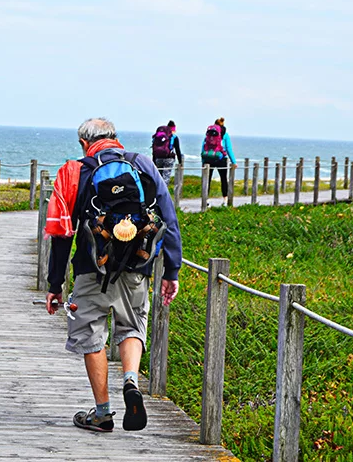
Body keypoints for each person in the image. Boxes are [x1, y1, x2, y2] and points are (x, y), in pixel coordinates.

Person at [43, 117, 182, 433]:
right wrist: (171, 270)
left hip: (92, 267)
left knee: (91, 334)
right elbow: (168, 219)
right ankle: (131, 381)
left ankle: (103, 412)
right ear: (116, 138)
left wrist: (55, 284)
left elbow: (62, 233)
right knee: (131, 326)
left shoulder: (73, 172)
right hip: (137, 264)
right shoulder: (143, 164)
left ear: (83, 143)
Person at [201, 117, 237, 198]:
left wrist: (203, 160)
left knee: (207, 180)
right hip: (221, 158)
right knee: (223, 179)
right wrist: (233, 162)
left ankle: (205, 200)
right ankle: (225, 200)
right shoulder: (225, 134)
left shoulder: (209, 133)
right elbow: (228, 149)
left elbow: (204, 146)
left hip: (209, 157)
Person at [151, 120, 183, 185]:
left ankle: (157, 192)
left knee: (158, 177)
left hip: (158, 158)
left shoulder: (159, 136)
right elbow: (177, 150)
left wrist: (154, 160)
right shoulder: (174, 137)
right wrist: (180, 162)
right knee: (166, 177)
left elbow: (154, 148)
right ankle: (164, 193)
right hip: (169, 158)